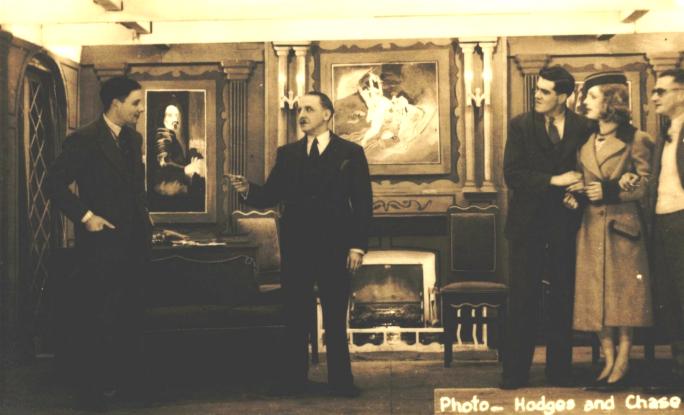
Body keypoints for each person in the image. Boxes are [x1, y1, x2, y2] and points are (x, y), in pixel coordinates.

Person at [227, 91, 373, 397]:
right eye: (299, 110)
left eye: (309, 109)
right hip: (297, 247)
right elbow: (270, 194)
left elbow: (362, 203)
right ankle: (293, 381)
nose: (302, 115)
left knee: (334, 317)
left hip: (335, 247)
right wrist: (247, 189)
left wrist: (357, 247)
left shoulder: (351, 152)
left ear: (327, 114)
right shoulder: (288, 154)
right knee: (295, 316)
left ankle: (341, 383)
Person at [46, 76, 152, 410]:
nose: (141, 109)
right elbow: (54, 184)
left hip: (134, 246)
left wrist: (145, 218)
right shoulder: (84, 139)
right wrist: (86, 216)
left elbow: (134, 191)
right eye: (136, 102)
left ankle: (127, 388)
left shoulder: (133, 139)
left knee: (130, 318)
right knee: (98, 320)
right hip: (101, 249)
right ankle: (94, 394)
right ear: (115, 103)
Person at [501, 65, 593, 389]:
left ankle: (559, 373)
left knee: (562, 298)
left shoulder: (584, 127)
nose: (536, 95)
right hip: (526, 226)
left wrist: (579, 190)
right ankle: (515, 373)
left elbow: (591, 171)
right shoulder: (520, 125)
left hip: (566, 225)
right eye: (536, 89)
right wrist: (555, 180)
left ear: (563, 96)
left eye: (544, 91)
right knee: (523, 299)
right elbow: (512, 175)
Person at [564, 72, 654, 391]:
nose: (584, 102)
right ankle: (608, 360)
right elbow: (584, 181)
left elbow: (646, 186)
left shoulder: (637, 139)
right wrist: (574, 195)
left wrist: (611, 190)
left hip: (622, 229)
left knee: (624, 300)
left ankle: (623, 362)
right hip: (590, 228)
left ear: (610, 100)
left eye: (591, 96)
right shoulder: (585, 141)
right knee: (595, 299)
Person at [637, 68, 684, 393]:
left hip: (681, 220)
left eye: (661, 91)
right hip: (663, 222)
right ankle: (679, 371)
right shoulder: (666, 130)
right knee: (671, 299)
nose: (654, 97)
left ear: (682, 94)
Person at [148, 100, 206, 212]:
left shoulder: (170, 135)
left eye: (176, 115)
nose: (175, 119)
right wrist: (185, 169)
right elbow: (163, 161)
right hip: (167, 190)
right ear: (162, 117)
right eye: (170, 115)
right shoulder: (162, 135)